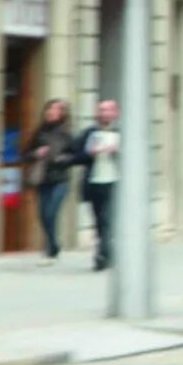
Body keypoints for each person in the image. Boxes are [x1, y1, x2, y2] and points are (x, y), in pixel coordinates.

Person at [25, 96, 78, 260]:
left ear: (62, 113)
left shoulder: (67, 133)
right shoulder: (40, 132)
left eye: (55, 110)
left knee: (51, 212)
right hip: (43, 178)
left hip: (60, 179)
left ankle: (51, 246)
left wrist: (63, 159)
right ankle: (53, 244)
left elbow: (75, 155)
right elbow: (25, 153)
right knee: (42, 214)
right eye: (49, 109)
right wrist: (36, 153)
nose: (51, 112)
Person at [79, 96, 124, 271]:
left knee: (106, 219)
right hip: (94, 182)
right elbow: (77, 155)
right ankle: (107, 252)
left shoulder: (120, 133)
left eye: (108, 110)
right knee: (99, 221)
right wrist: (90, 153)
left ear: (115, 113)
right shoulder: (90, 133)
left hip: (113, 181)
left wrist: (117, 152)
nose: (104, 113)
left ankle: (102, 255)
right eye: (101, 110)